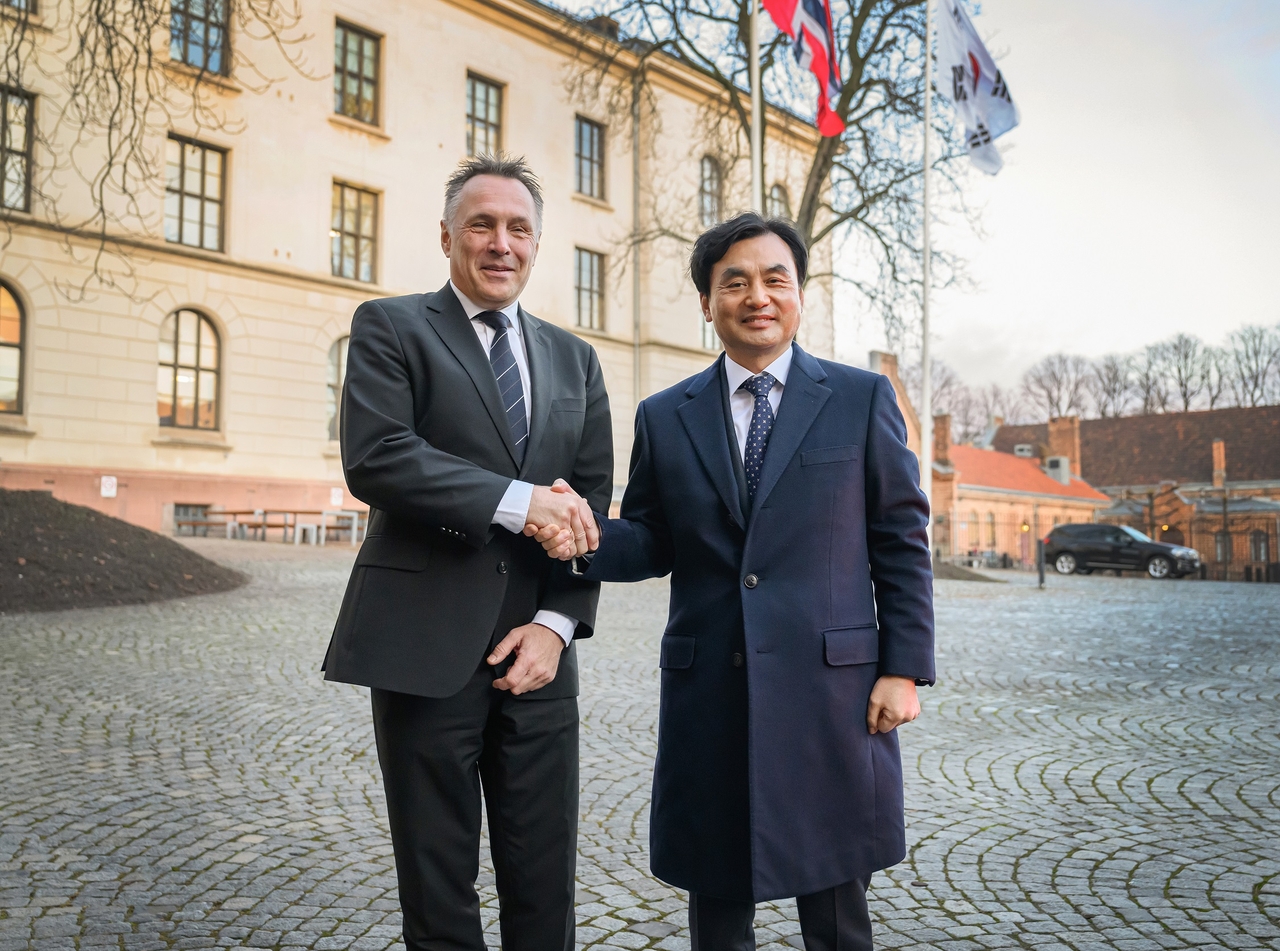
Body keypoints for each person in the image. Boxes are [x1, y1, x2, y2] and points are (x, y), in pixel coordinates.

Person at [530, 213, 935, 951]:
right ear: (708, 302)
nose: (758, 295)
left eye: (775, 278)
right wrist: (579, 536)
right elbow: (652, 537)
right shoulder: (665, 415)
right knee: (716, 910)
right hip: (711, 692)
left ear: (800, 293)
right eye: (735, 282)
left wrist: (903, 668)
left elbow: (901, 541)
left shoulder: (860, 399)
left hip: (833, 696)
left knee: (839, 914)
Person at [322, 153, 611, 951]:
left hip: (540, 658)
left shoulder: (575, 359)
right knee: (438, 880)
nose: (500, 243)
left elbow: (587, 509)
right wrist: (522, 505)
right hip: (423, 644)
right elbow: (377, 455)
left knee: (543, 878)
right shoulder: (391, 326)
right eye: (481, 224)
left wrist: (557, 623)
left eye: (518, 227)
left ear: (537, 245)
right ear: (446, 235)